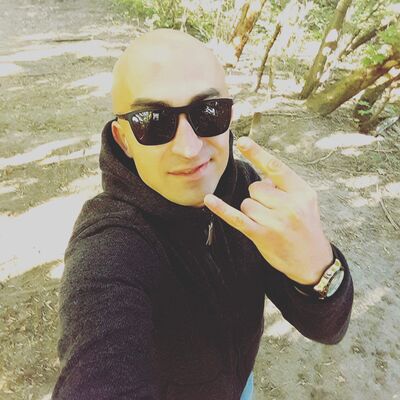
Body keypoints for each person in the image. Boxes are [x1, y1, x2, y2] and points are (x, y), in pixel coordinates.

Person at [52, 28, 354, 400]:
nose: (189, 148)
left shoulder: (248, 190)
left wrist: (320, 268)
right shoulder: (110, 246)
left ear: (230, 115)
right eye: (153, 121)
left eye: (208, 112)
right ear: (124, 139)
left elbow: (327, 329)